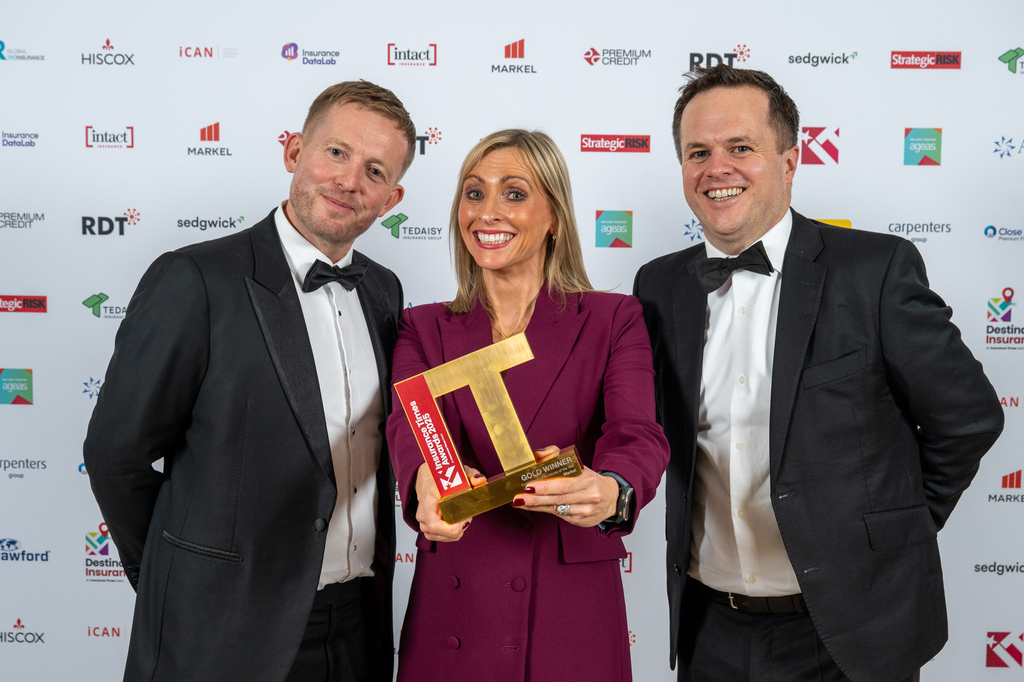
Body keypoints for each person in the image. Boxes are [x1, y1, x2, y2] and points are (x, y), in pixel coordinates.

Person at [633, 65, 1004, 682]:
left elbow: (967, 418)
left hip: (853, 631)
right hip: (709, 630)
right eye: (698, 153)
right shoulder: (658, 284)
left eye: (740, 148)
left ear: (790, 161)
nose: (717, 168)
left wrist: (895, 529)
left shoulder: (874, 269)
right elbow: (641, 427)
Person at [83, 80, 417, 682]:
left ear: (390, 198)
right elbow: (115, 455)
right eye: (336, 152)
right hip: (220, 629)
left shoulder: (384, 290)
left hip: (357, 628)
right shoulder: (194, 278)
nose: (349, 181)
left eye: (373, 171)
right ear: (293, 152)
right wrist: (174, 582)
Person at [385, 129, 669, 682]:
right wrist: (423, 481)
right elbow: (410, 428)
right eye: (474, 193)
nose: (487, 211)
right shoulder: (422, 325)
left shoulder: (614, 318)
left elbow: (637, 433)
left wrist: (613, 487)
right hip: (457, 601)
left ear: (555, 217)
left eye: (514, 193)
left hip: (571, 605)